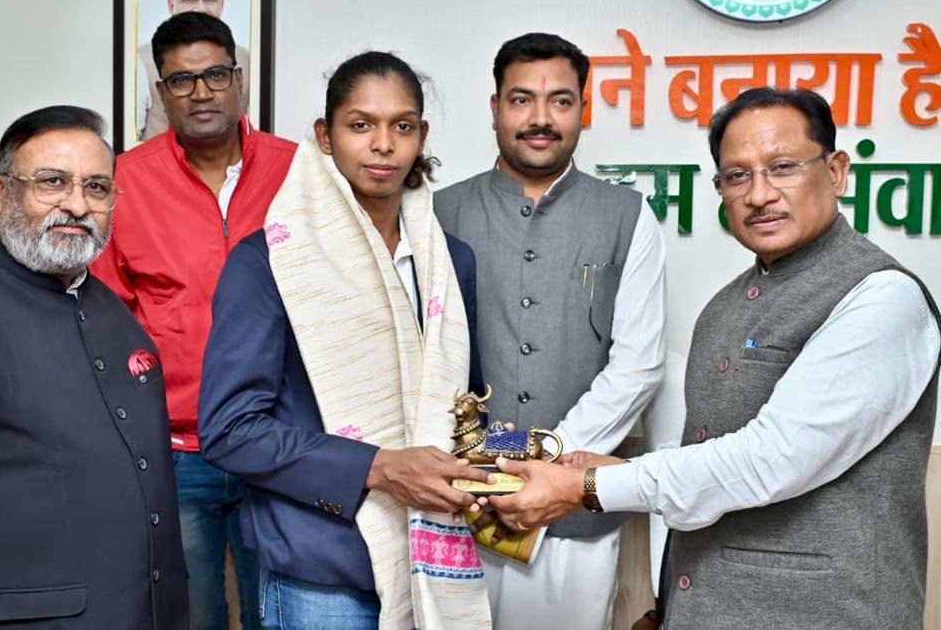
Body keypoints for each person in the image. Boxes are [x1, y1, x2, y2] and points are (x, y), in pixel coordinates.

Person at [483, 87, 941, 629]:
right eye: (737, 176)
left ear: (837, 171)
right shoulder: (724, 307)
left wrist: (588, 487)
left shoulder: (882, 297)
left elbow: (769, 461)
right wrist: (669, 606)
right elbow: (706, 469)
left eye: (783, 167)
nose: (760, 195)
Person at [199, 51, 493, 629]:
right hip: (322, 569)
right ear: (324, 136)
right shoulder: (269, 262)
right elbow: (231, 431)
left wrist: (518, 462)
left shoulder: (449, 262)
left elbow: (468, 408)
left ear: (421, 137)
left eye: (401, 126)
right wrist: (378, 467)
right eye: (360, 125)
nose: (383, 145)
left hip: (434, 557)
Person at [433, 32, 666, 630]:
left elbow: (639, 365)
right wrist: (485, 464)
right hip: (459, 498)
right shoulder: (437, 214)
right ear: (495, 108)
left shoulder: (627, 215)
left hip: (572, 512)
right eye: (521, 100)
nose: (541, 118)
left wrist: (548, 461)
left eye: (560, 101)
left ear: (582, 108)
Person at [0, 105, 188, 629]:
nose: (77, 205)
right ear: (0, 194)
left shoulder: (115, 313)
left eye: (96, 187)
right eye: (52, 182)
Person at [91, 12, 295, 630]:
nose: (201, 93)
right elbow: (106, 319)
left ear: (239, 78)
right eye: (181, 80)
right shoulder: (124, 183)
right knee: (190, 616)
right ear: (161, 92)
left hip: (281, 443)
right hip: (177, 453)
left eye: (215, 75)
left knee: (280, 613)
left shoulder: (300, 171)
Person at [138, 0, 251, 140]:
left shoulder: (248, 60)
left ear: (222, 4)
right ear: (171, 4)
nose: (200, 8)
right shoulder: (140, 61)